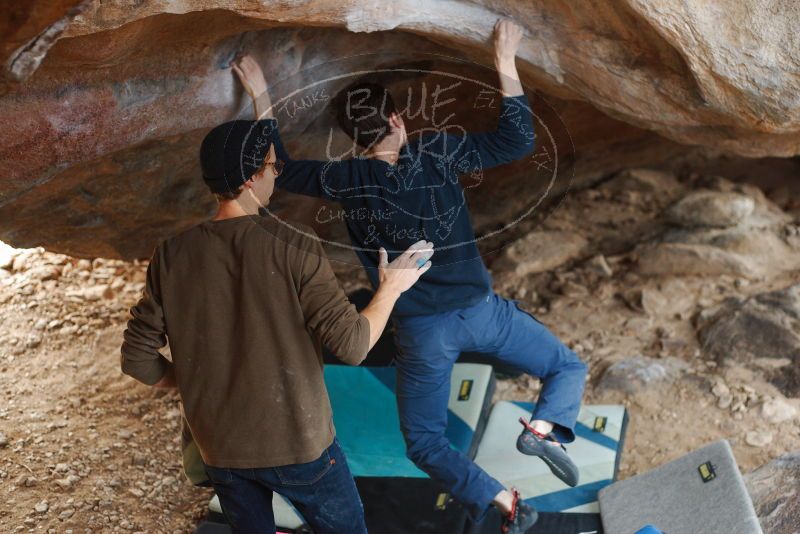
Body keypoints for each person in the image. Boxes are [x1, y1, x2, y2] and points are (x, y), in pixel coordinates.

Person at [234, 19, 587, 534]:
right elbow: (518, 138)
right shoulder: (437, 152)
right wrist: (504, 60)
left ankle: (507, 505)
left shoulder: (346, 178)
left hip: (422, 330)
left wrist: (261, 94)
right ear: (398, 119)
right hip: (482, 312)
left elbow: (279, 166)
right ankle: (543, 428)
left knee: (425, 443)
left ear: (352, 138)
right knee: (566, 367)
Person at [119, 116, 434, 533]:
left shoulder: (171, 254)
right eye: (273, 167)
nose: (276, 176)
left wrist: (195, 380)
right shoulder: (294, 242)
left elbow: (137, 360)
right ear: (251, 179)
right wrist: (391, 289)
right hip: (300, 445)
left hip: (220, 449)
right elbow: (353, 345)